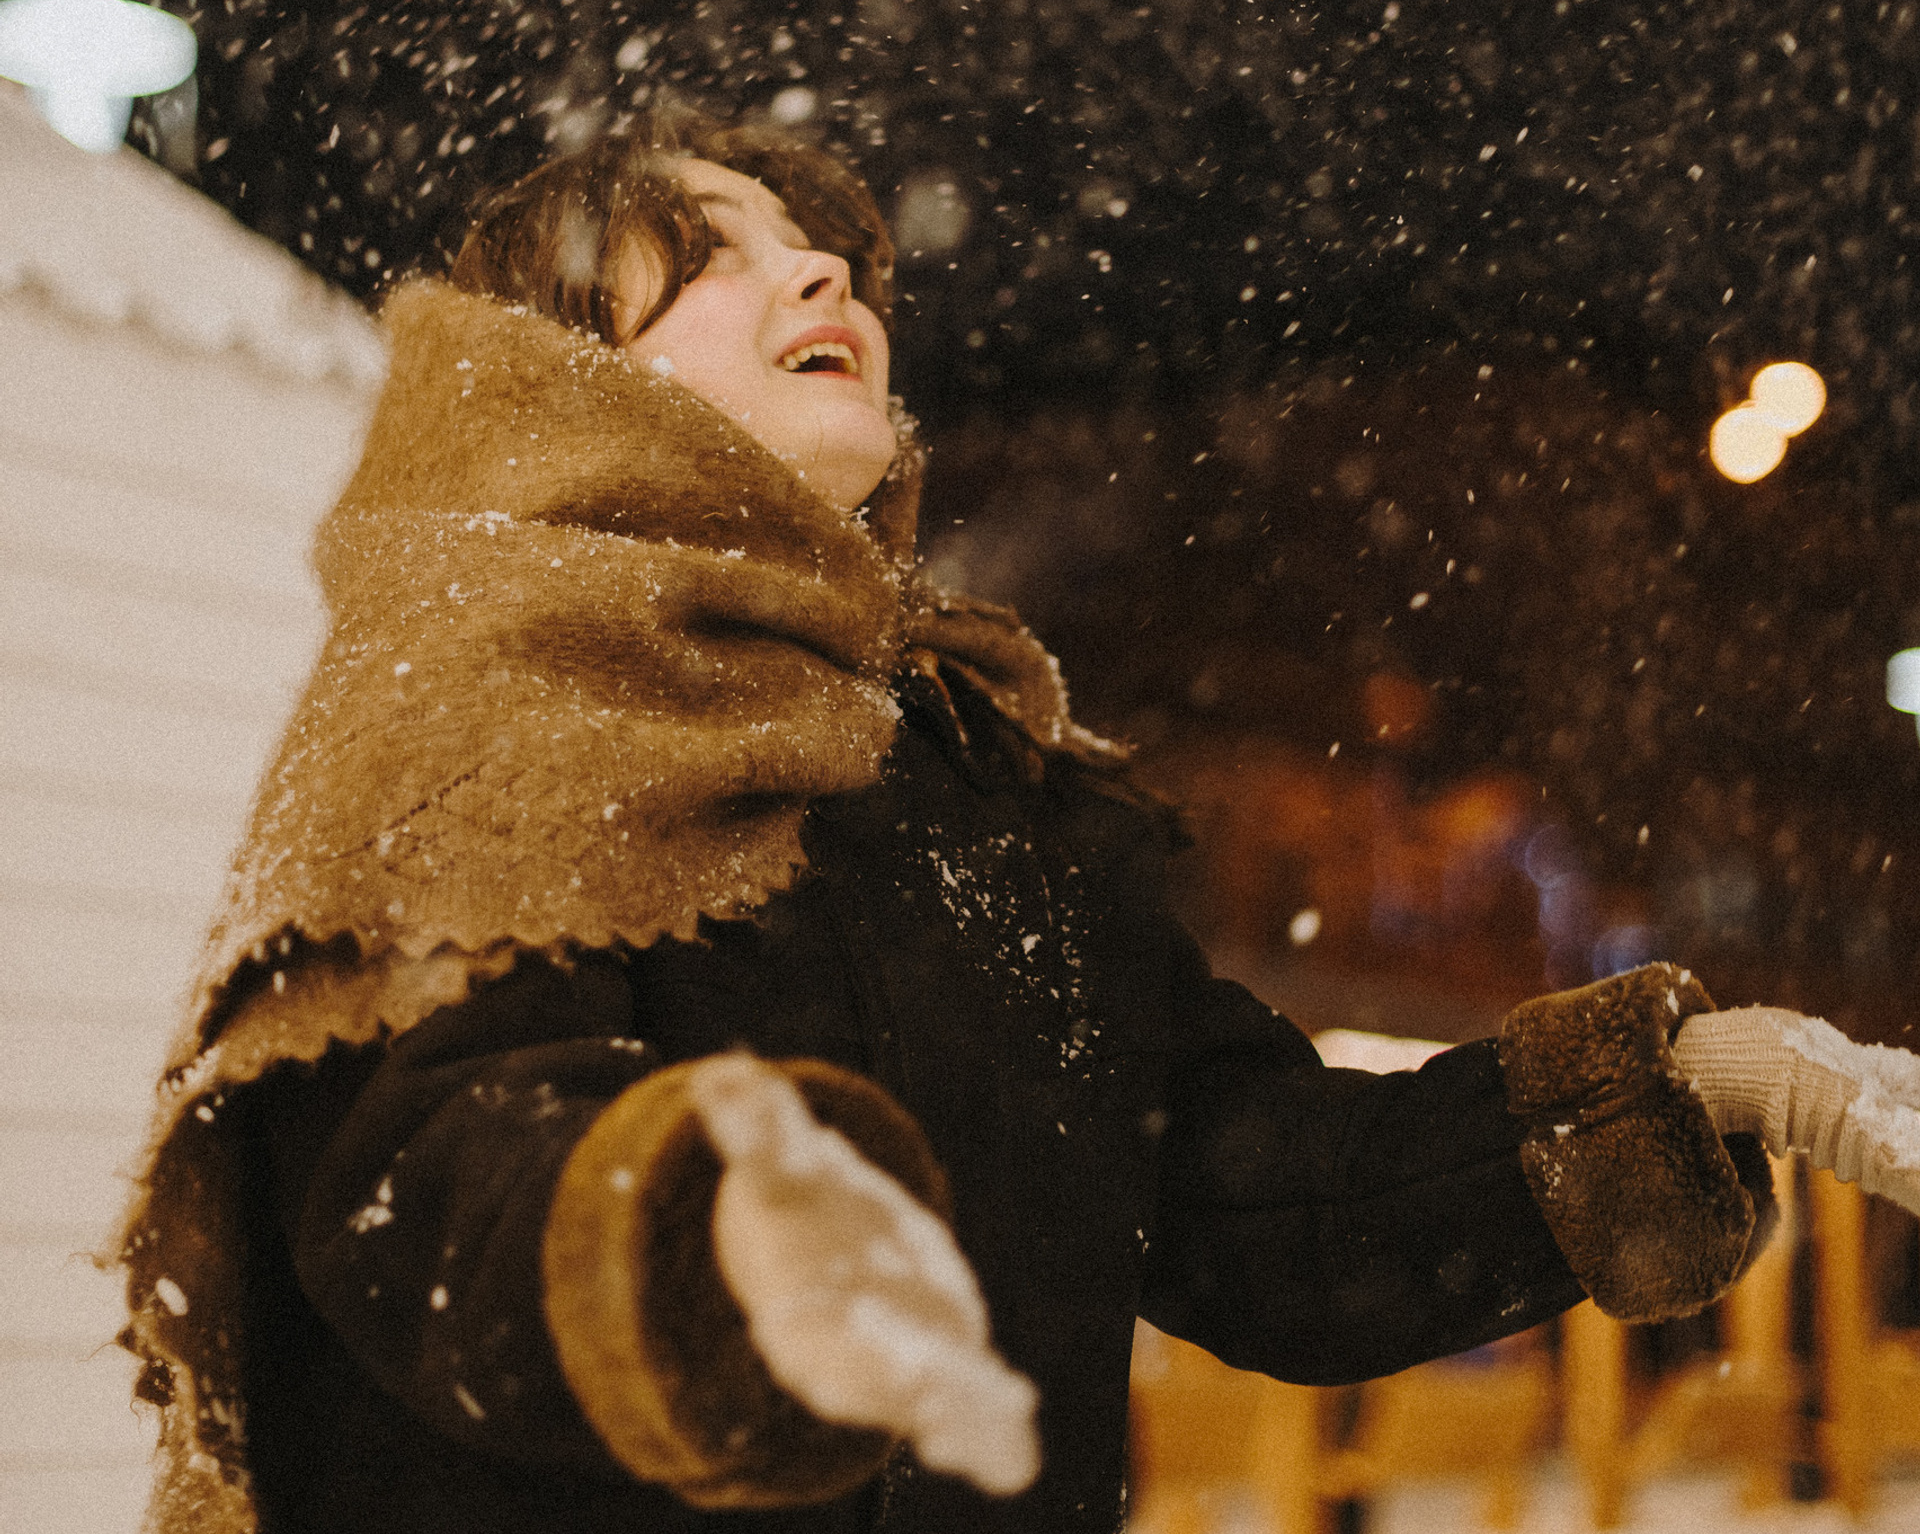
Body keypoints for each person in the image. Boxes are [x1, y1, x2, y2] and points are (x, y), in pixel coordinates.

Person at [115, 107, 1920, 1534]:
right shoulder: (460, 718)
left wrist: (1683, 1090)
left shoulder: (981, 788)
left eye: (821, 243)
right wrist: (703, 1244)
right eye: (708, 255)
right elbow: (416, 1198)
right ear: (549, 381)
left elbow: (1245, 1196)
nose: (821, 263)